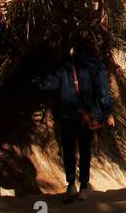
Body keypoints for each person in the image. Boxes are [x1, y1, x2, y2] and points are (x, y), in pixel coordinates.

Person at [34, 38, 114, 201]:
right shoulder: (95, 66)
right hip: (87, 114)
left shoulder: (63, 67)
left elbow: (49, 84)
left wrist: (33, 80)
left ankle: (71, 184)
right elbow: (103, 91)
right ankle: (84, 186)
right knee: (85, 150)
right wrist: (107, 113)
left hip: (66, 115)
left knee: (68, 148)